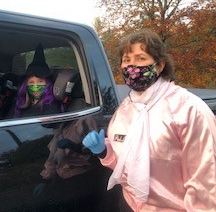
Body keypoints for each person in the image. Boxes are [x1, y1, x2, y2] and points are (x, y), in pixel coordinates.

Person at [82, 29, 216, 211]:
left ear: (160, 66)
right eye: (127, 60)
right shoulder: (126, 107)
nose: (132, 66)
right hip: (129, 204)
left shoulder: (188, 109)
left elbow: (206, 180)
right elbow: (126, 163)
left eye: (141, 58)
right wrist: (105, 152)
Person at [14, 44, 60, 117]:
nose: (35, 87)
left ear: (48, 83)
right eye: (31, 82)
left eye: (40, 81)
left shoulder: (51, 107)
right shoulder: (21, 103)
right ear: (25, 85)